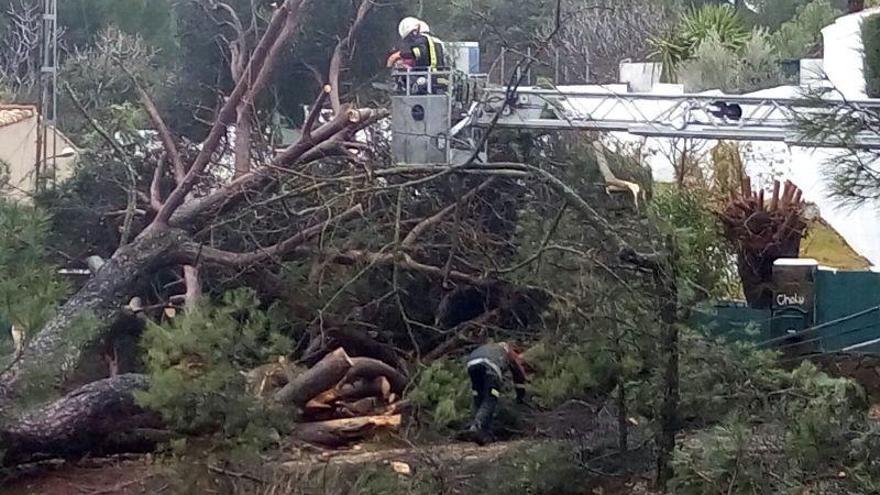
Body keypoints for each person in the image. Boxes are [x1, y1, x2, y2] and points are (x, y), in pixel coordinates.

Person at [462, 341, 528, 445]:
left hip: (472, 364)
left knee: (478, 397)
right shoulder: (508, 351)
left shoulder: (491, 346)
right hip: (490, 368)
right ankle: (476, 426)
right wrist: (520, 395)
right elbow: (518, 374)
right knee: (490, 398)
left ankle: (481, 433)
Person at [386, 17, 446, 93]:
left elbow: (419, 53)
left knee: (404, 73)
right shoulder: (437, 41)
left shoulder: (421, 39)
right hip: (438, 76)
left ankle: (400, 89)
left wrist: (400, 55)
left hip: (425, 76)